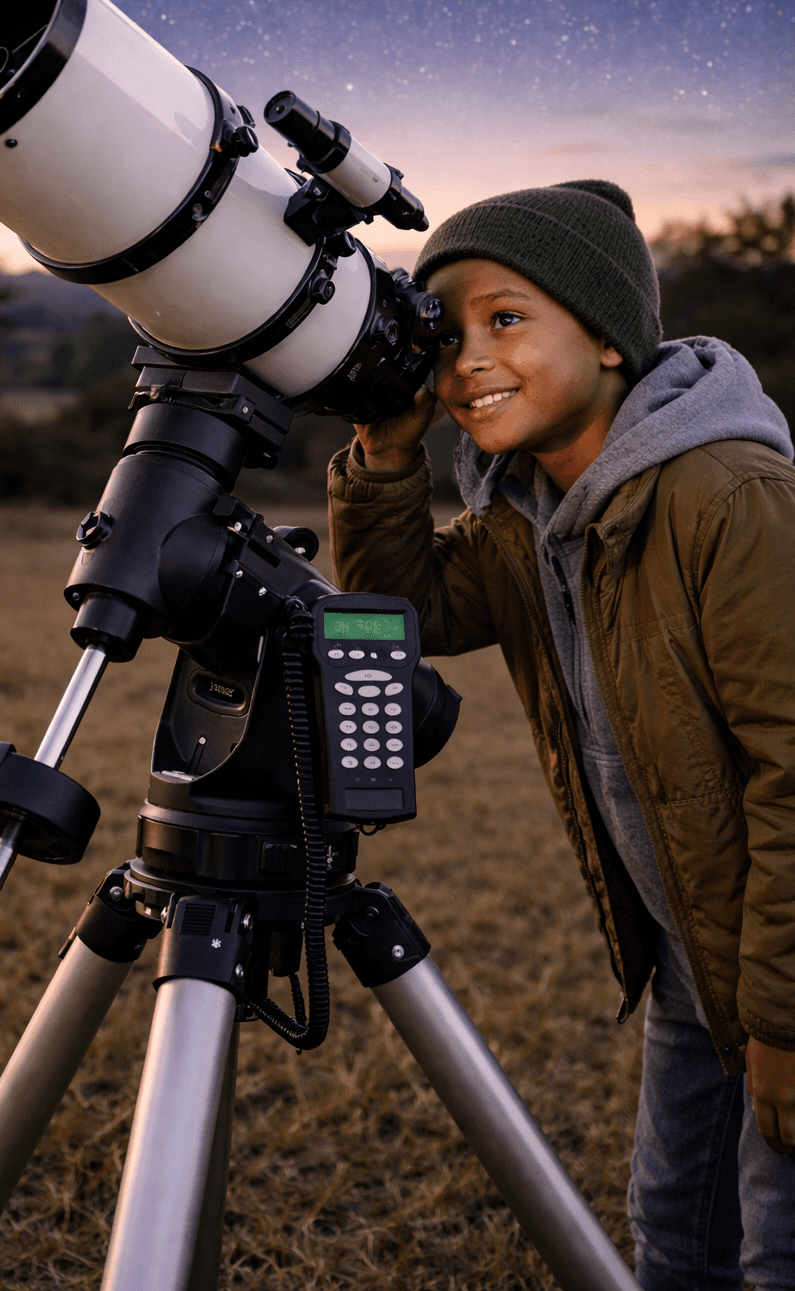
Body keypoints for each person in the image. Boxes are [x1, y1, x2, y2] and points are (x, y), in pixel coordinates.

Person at [327, 179, 795, 1289]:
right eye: (447, 337)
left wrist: (783, 1017)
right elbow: (408, 613)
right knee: (675, 1239)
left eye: (504, 319)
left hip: (778, 972)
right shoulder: (526, 517)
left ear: (610, 341)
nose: (465, 362)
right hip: (695, 962)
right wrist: (389, 458)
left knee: (776, 1253)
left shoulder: (726, 495)